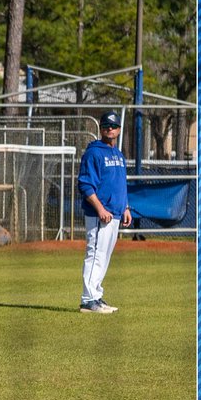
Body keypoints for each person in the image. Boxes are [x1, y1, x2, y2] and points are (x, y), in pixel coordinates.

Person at [77, 110, 131, 314]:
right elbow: (85, 184)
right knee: (95, 254)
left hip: (116, 212)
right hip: (100, 214)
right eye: (106, 126)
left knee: (104, 256)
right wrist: (100, 208)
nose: (110, 129)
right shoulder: (94, 152)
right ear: (101, 129)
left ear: (119, 129)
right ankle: (88, 300)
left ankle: (96, 296)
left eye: (113, 126)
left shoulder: (118, 155)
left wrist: (125, 207)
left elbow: (120, 184)